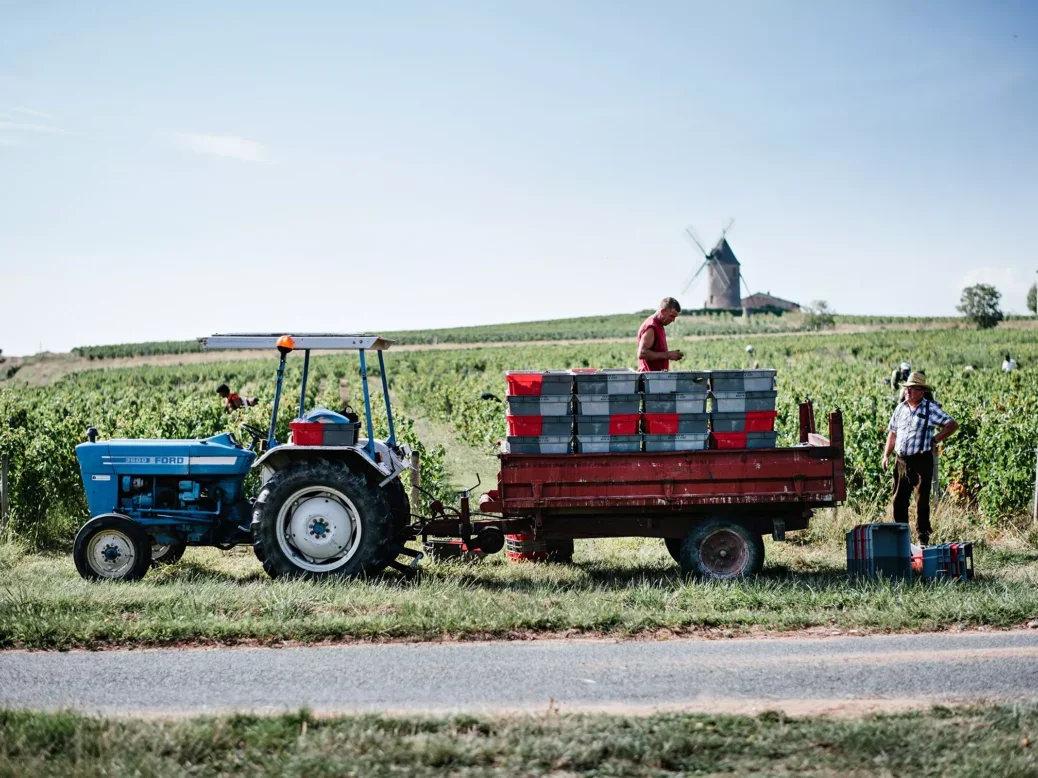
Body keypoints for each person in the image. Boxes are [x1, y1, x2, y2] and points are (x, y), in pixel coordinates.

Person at [881, 372, 958, 545]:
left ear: (921, 392)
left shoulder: (930, 409)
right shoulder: (900, 409)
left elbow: (952, 424)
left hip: (921, 461)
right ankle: (901, 539)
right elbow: (892, 433)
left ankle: (923, 539)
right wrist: (886, 455)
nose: (908, 391)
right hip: (901, 461)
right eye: (907, 388)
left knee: (921, 501)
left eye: (913, 388)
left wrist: (936, 439)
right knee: (898, 501)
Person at [636, 297, 684, 372]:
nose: (673, 320)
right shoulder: (651, 327)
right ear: (663, 311)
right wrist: (668, 355)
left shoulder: (659, 325)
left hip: (656, 379)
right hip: (649, 379)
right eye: (672, 316)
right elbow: (642, 353)